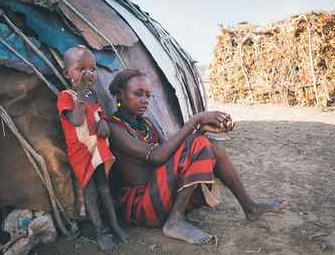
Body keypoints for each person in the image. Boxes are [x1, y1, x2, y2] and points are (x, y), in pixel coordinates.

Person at [108, 69, 288, 245]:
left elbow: (173, 152)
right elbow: (157, 156)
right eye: (138, 94)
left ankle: (250, 206)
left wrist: (201, 131)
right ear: (120, 94)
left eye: (148, 95)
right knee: (198, 142)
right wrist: (195, 120)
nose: (145, 100)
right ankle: (175, 221)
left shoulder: (147, 122)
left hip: (161, 194)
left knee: (212, 146)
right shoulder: (115, 129)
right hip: (144, 206)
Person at [56, 45, 130, 253]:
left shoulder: (94, 95)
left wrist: (104, 122)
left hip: (97, 148)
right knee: (91, 192)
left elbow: (99, 114)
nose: (88, 74)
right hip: (80, 152)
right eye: (81, 69)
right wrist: (80, 93)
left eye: (93, 69)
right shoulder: (66, 97)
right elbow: (77, 119)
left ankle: (114, 225)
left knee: (105, 189)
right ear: (67, 73)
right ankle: (100, 232)